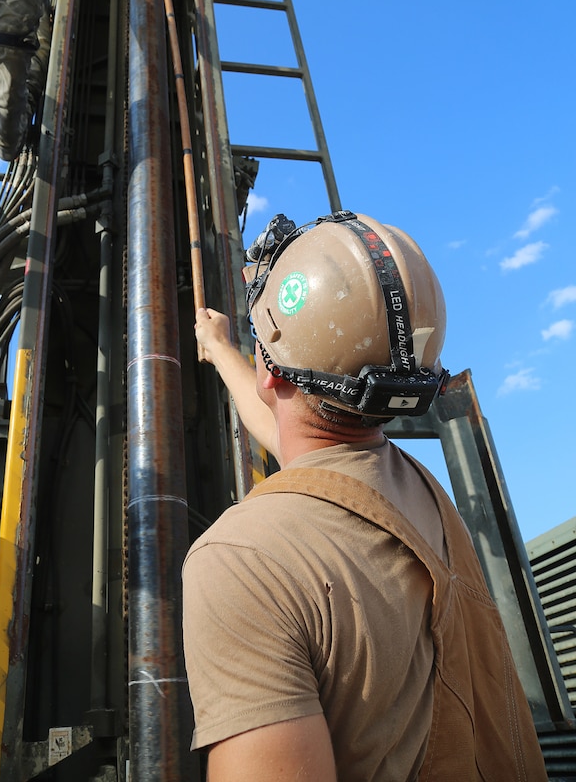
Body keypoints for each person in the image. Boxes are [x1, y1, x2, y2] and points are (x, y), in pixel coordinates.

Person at [182, 211, 548, 782]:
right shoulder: (421, 494)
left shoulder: (243, 560)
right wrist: (224, 351)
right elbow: (296, 436)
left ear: (271, 373)